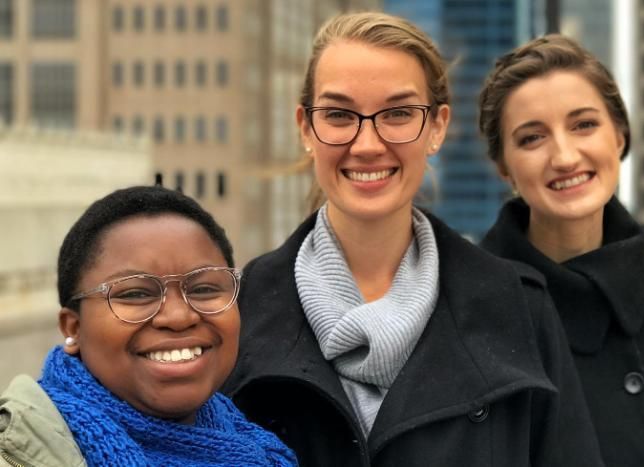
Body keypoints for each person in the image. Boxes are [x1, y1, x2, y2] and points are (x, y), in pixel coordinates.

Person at [223, 12, 603, 467]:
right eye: (340, 115)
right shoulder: (238, 315)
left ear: (437, 127)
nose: (367, 144)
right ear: (306, 127)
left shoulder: (520, 308)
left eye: (399, 113)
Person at [479, 34, 644, 466]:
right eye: (531, 138)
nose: (564, 156)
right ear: (503, 166)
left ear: (619, 135)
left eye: (584, 124)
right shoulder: (474, 304)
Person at [0, 186, 297, 467]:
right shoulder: (19, 452)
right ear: (74, 328)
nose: (179, 317)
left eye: (204, 288)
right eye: (136, 294)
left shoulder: (261, 447)